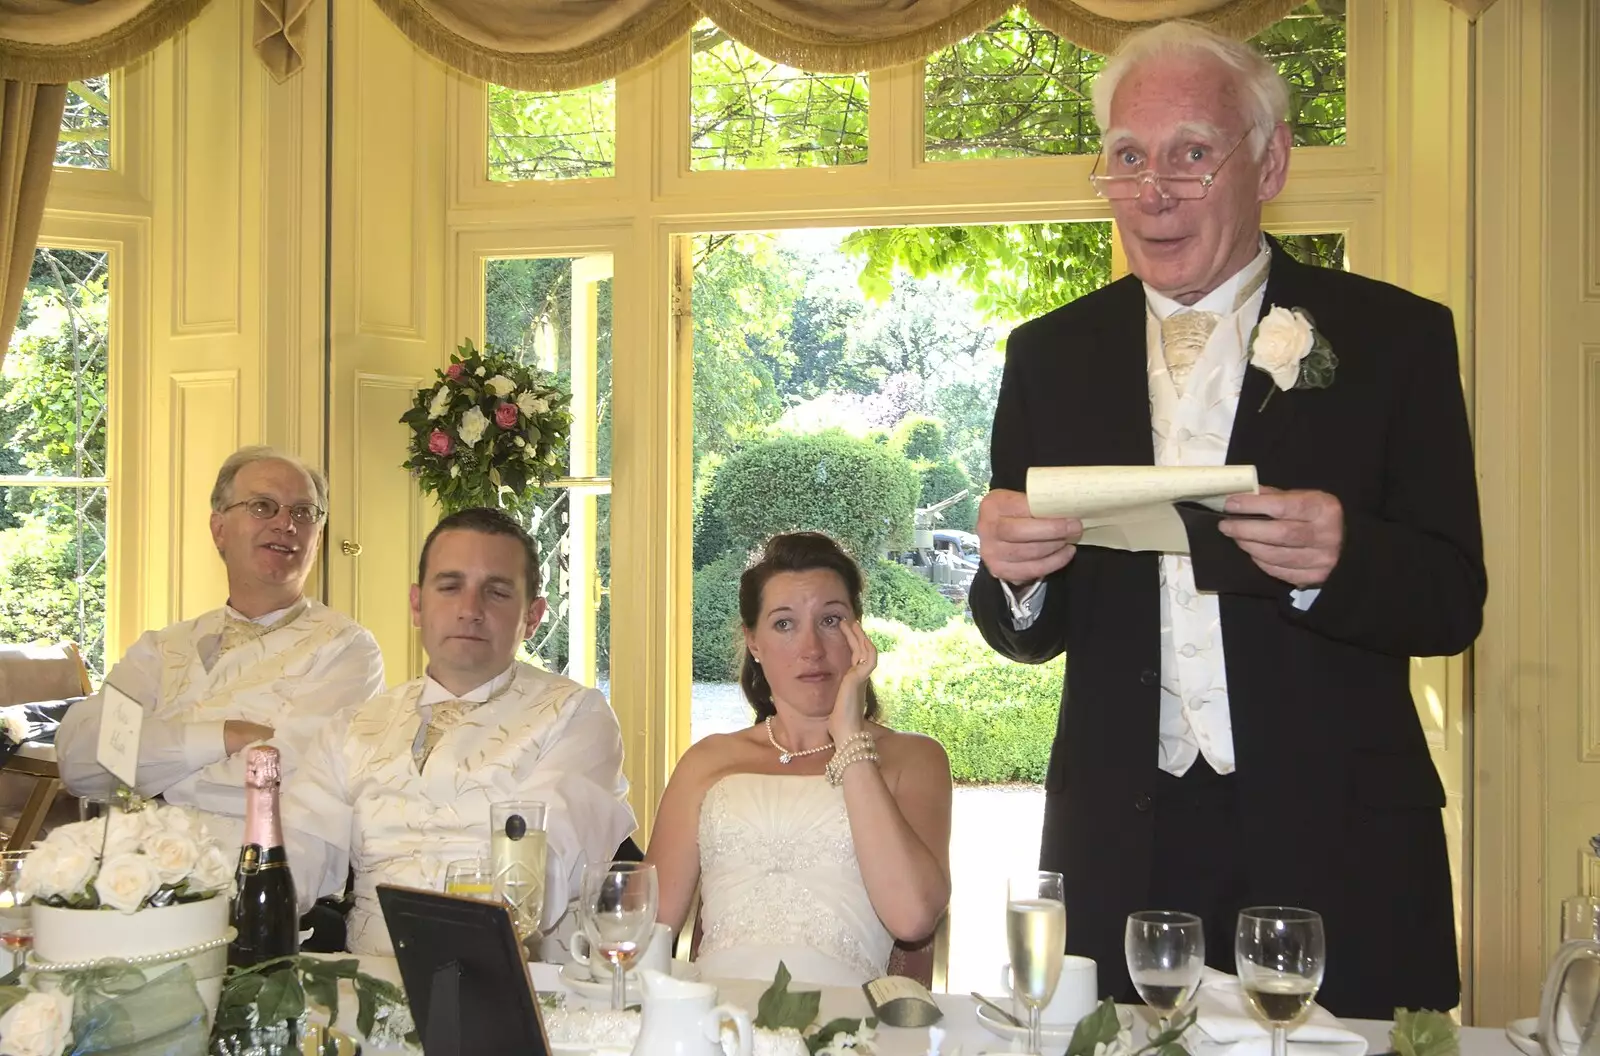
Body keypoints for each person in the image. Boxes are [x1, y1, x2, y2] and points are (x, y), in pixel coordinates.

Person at [967, 21, 1485, 1019]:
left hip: (1340, 844)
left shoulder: (1394, 339)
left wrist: (1340, 559)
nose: (1152, 190)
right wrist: (1016, 578)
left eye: (1190, 155)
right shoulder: (1049, 355)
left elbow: (1451, 600)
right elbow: (1025, 628)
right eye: (1127, 158)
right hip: (1122, 845)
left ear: (1271, 162)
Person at [281, 506, 635, 956]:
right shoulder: (352, 727)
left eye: (497, 592)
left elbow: (541, 873)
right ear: (416, 604)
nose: (470, 610)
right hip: (367, 991)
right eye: (450, 587)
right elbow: (294, 860)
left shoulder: (574, 716)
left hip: (519, 989)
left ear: (533, 615)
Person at [647, 532, 952, 986]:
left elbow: (912, 918)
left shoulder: (913, 758)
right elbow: (646, 929)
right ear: (753, 642)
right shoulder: (707, 761)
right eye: (784, 624)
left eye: (831, 620)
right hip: (710, 1023)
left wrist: (849, 739)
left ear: (858, 633)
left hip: (847, 1031)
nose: (812, 648)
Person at [56, 446, 385, 841]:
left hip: (259, 880)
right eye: (263, 506)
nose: (286, 524)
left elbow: (288, 782)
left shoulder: (347, 650)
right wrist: (226, 735)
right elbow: (78, 760)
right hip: (130, 874)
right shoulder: (160, 648)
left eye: (303, 512)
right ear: (219, 529)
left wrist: (147, 774)